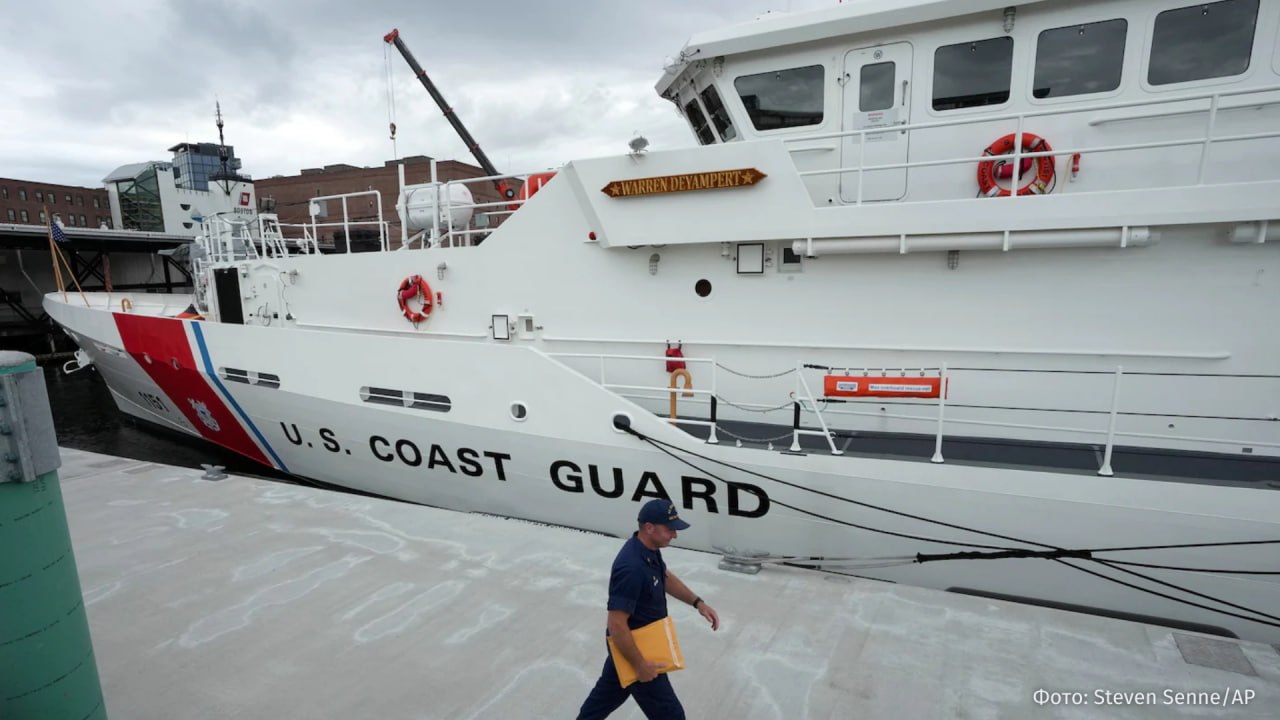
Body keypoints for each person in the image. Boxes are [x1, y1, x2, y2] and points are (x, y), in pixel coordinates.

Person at [576, 499, 721, 720]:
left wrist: (698, 603)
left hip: (630, 647)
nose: (674, 535)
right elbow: (616, 625)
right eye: (670, 529)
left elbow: (663, 576)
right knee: (671, 715)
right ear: (649, 527)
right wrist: (640, 665)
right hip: (639, 651)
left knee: (604, 699)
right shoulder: (631, 569)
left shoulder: (648, 548)